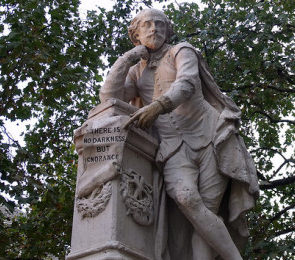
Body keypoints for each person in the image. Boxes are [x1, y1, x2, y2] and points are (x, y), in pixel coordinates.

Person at [99, 8, 259, 260]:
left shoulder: (181, 50)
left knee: (203, 213)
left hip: (210, 138)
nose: (155, 29)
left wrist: (157, 106)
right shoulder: (136, 70)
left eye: (160, 25)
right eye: (148, 25)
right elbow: (109, 98)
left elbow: (187, 83)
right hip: (172, 148)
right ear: (136, 34)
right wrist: (127, 58)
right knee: (186, 199)